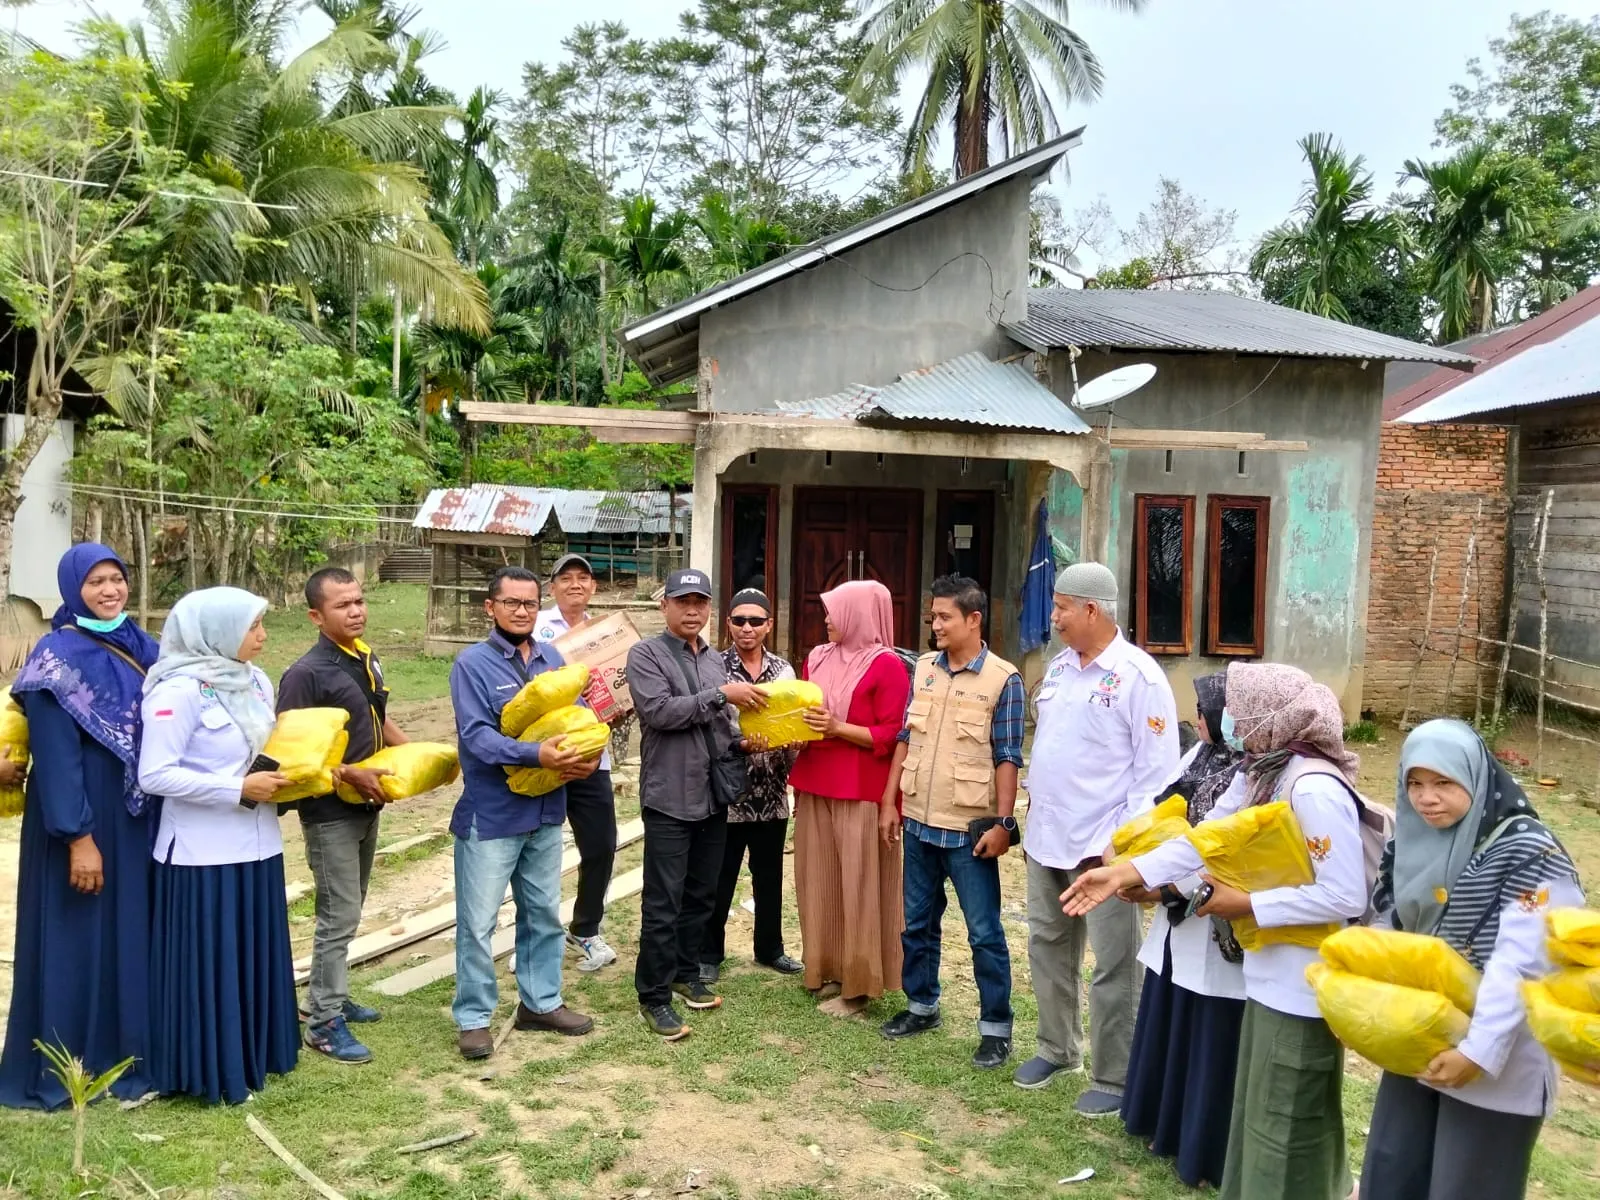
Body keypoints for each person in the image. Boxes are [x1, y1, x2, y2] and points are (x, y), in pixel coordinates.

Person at [1063, 662, 1368, 1200]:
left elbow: (1345, 895)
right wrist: (1126, 873)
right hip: (1267, 966)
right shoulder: (1262, 772)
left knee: (1288, 1109)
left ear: (1269, 716)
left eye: (1239, 711)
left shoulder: (1313, 787)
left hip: (1303, 977)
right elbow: (1204, 841)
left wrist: (1247, 904)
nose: (1229, 722)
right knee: (1265, 1106)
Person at [1360, 719, 1583, 1200]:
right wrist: (1364, 1007)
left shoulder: (1528, 852)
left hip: (1497, 1050)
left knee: (1467, 1182)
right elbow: (1388, 929)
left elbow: (1523, 963)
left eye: (1443, 782)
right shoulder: (1409, 842)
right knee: (1395, 1170)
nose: (1427, 799)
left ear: (1476, 778)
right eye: (1415, 784)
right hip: (1420, 1037)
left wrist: (1478, 1052)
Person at [1015, 563, 1180, 1113]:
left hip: (1103, 848)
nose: (1053, 617)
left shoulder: (1139, 677)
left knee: (1115, 962)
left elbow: (1156, 776)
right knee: (1048, 944)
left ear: (1092, 609)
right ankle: (1057, 1047)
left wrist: (1122, 843)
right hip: (1048, 835)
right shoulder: (1059, 668)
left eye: (1062, 607)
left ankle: (1114, 1075)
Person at [0, 544, 160, 1109]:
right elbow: (57, 759)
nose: (109, 590)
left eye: (116, 578)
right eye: (95, 582)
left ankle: (130, 1054)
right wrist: (78, 838)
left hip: (136, 816)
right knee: (78, 936)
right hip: (80, 819)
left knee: (129, 931)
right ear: (73, 588)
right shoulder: (55, 658)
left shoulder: (144, 646)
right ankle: (68, 1067)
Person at [139, 587, 299, 1105]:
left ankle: (257, 1053)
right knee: (210, 966)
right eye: (253, 627)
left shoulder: (255, 681)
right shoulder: (176, 691)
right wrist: (236, 789)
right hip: (202, 855)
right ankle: (209, 1068)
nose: (263, 636)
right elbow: (154, 775)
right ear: (217, 631)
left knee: (251, 956)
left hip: (259, 845)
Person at [449, 566, 598, 1061]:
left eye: (529, 603)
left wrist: (585, 757)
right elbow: (476, 735)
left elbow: (578, 718)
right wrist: (537, 755)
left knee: (543, 914)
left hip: (546, 808)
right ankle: (474, 1018)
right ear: (490, 607)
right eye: (510, 602)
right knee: (478, 922)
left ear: (540, 607)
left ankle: (541, 1002)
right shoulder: (472, 665)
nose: (521, 611)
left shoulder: (553, 660)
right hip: (492, 814)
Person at [880, 574, 1024, 1071]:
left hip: (968, 833)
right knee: (917, 924)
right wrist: (889, 802)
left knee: (983, 933)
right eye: (933, 616)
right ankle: (921, 1005)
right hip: (919, 822)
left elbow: (1008, 756)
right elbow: (905, 738)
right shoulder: (923, 668)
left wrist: (1003, 823)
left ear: (973, 619)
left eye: (944, 617)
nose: (935, 625)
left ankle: (996, 1028)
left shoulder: (1004, 679)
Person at [278, 566, 410, 1065]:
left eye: (359, 601)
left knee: (351, 907)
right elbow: (290, 756)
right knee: (339, 915)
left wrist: (422, 756)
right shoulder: (305, 674)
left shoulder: (365, 657)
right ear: (316, 616)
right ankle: (323, 1022)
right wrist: (349, 772)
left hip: (368, 804)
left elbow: (379, 717)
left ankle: (330, 993)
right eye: (343, 605)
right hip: (329, 811)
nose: (356, 611)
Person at [1119, 672, 1248, 1188]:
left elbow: (1221, 845)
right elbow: (1159, 807)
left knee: (1209, 1028)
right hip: (1175, 905)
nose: (1198, 717)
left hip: (1215, 912)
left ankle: (1199, 1145)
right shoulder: (1198, 755)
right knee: (1172, 1014)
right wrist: (1133, 861)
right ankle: (1162, 1125)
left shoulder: (1250, 773)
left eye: (1206, 708)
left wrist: (1167, 887)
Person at [627, 568, 767, 1040]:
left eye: (700, 603)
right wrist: (720, 695)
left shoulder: (711, 660)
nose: (692, 611)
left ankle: (686, 973)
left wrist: (744, 744)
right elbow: (659, 712)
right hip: (669, 796)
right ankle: (653, 996)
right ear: (664, 605)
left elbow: (720, 727)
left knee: (701, 894)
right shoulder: (646, 654)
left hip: (711, 797)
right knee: (663, 901)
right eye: (683, 601)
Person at [788, 579, 909, 1016]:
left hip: (860, 789)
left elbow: (893, 734)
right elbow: (804, 715)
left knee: (859, 886)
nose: (826, 619)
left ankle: (858, 988)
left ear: (858, 614)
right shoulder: (817, 657)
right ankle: (827, 968)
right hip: (814, 781)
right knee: (818, 880)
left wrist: (837, 728)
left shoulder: (887, 666)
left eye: (835, 611)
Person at [700, 588, 804, 980]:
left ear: (769, 625)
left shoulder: (783, 671)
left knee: (769, 876)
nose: (747, 628)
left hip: (772, 792)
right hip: (728, 794)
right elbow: (709, 726)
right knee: (719, 876)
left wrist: (795, 744)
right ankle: (709, 955)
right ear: (728, 623)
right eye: (740, 620)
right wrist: (740, 745)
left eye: (756, 621)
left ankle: (770, 948)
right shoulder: (714, 667)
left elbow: (793, 718)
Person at [534, 553, 619, 974]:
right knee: (535, 851)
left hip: (591, 758)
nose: (575, 584)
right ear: (552, 588)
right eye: (565, 578)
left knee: (601, 845)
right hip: (541, 757)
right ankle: (533, 935)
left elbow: (618, 690)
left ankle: (585, 929)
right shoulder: (535, 628)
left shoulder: (605, 633)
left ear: (593, 587)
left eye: (583, 578)